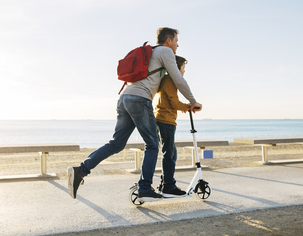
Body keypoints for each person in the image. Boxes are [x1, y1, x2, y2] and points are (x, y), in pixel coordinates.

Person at [67, 27, 202, 202]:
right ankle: (145, 188)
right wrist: (192, 101)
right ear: (168, 40)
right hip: (139, 99)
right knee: (153, 144)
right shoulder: (166, 51)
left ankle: (81, 170)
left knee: (116, 143)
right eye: (176, 40)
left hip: (125, 98)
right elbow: (178, 79)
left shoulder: (152, 52)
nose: (178, 44)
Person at [155, 55, 191, 197]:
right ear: (176, 68)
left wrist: (183, 106)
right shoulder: (169, 80)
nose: (184, 71)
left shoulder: (167, 80)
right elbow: (174, 102)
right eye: (183, 68)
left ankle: (165, 183)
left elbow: (171, 101)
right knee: (169, 154)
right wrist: (188, 106)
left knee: (171, 153)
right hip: (165, 121)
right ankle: (168, 186)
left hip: (164, 119)